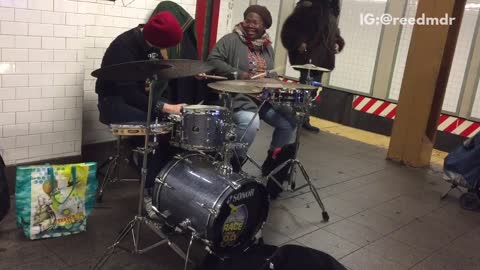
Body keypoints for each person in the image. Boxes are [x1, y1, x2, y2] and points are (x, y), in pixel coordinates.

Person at [95, 11, 187, 191]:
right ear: (158, 39)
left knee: (177, 122)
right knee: (159, 125)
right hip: (113, 101)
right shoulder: (124, 47)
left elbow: (155, 77)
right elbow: (129, 94)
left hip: (136, 98)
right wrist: (165, 107)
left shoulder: (151, 44)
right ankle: (151, 186)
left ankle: (166, 177)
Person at [206, 5, 297, 179]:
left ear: (264, 26)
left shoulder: (266, 47)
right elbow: (213, 60)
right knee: (251, 123)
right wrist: (239, 74)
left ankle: (272, 163)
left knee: (287, 124)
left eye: (256, 23)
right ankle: (234, 162)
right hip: (238, 100)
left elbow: (270, 72)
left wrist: (272, 80)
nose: (250, 25)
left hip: (263, 101)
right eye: (248, 20)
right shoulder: (231, 40)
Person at [281, 0, 345, 133]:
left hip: (323, 58)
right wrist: (299, 42)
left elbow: (333, 31)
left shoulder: (331, 9)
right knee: (304, 90)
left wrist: (337, 42)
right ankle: (297, 118)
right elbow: (291, 28)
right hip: (308, 57)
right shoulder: (307, 6)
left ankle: (303, 118)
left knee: (313, 91)